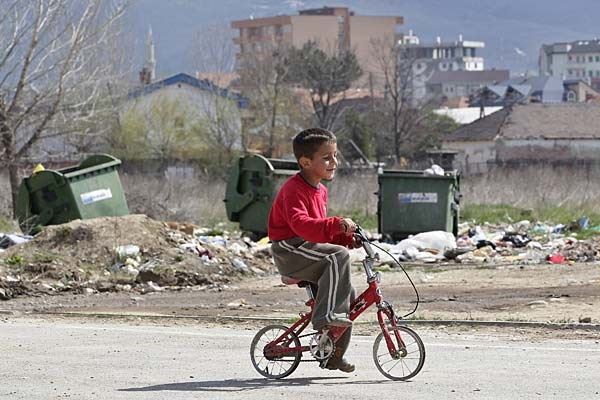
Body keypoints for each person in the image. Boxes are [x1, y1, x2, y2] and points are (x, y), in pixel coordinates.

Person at [268, 127, 360, 373]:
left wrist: (346, 237)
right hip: (290, 250)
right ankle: (326, 319)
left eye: (335, 155)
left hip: (307, 249)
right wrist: (335, 225)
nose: (334, 162)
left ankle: (333, 354)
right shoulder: (293, 189)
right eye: (327, 157)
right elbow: (303, 226)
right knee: (337, 257)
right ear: (305, 162)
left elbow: (319, 232)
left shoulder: (321, 190)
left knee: (348, 291)